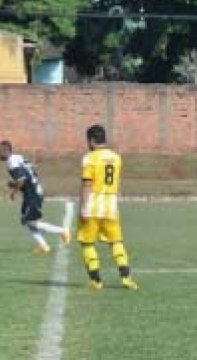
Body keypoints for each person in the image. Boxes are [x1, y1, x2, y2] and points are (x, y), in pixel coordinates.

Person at [77, 124, 137, 291]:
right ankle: (126, 278)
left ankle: (96, 281)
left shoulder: (90, 158)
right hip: (110, 207)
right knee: (116, 242)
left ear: (91, 140)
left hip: (93, 207)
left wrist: (82, 208)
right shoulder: (116, 158)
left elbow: (87, 184)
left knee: (87, 244)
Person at [0, 140, 70, 254]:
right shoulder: (18, 157)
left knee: (29, 221)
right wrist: (15, 184)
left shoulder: (12, 162)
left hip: (33, 194)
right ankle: (43, 246)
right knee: (27, 221)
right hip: (31, 192)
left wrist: (14, 191)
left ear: (6, 151)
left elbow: (21, 180)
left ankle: (61, 231)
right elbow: (31, 174)